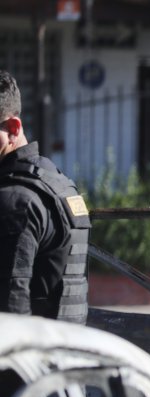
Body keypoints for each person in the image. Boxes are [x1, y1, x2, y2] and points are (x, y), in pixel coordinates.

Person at [0, 69, 88, 323]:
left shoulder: (14, 200)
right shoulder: (60, 184)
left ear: (13, 129)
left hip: (31, 357)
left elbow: (9, 320)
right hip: (69, 351)